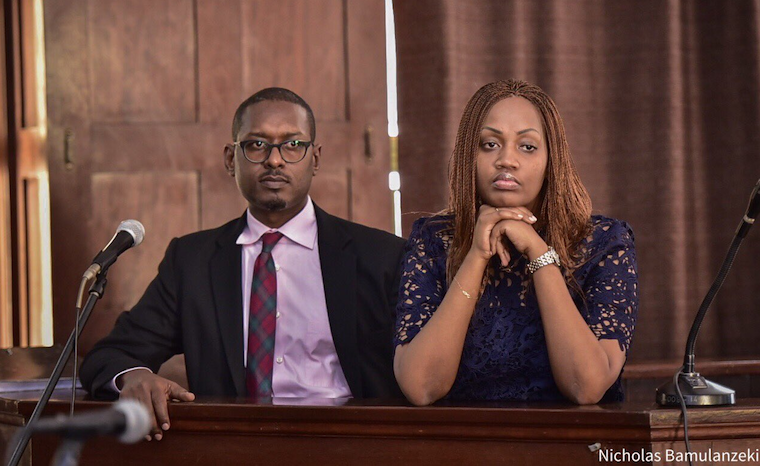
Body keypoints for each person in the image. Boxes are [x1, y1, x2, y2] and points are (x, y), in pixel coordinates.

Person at [80, 88, 405, 440]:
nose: (275, 160)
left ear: (315, 159)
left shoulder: (381, 257)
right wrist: (135, 376)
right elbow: (110, 355)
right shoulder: (192, 262)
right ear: (230, 159)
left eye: (293, 145)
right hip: (231, 445)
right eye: (256, 144)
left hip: (350, 445)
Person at [393, 79, 638, 406]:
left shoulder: (604, 243)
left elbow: (586, 387)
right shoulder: (433, 239)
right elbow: (421, 387)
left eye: (527, 146)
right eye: (489, 144)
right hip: (462, 449)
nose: (506, 160)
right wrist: (477, 255)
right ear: (469, 155)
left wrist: (538, 252)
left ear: (552, 160)